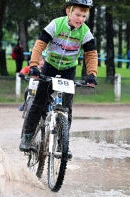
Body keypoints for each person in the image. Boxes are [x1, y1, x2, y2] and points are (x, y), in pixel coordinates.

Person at [19, 0, 98, 153]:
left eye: (84, 16)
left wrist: (91, 74)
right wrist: (34, 65)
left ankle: (63, 144)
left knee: (67, 108)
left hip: (69, 70)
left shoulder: (85, 32)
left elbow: (91, 55)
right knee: (39, 103)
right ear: (68, 11)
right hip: (49, 67)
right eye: (77, 14)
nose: (80, 19)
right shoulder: (56, 24)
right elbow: (40, 44)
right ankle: (27, 137)